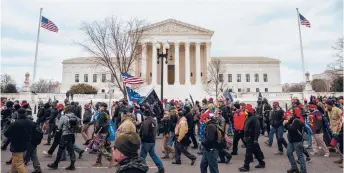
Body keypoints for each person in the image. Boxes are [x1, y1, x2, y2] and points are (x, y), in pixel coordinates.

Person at [47, 105, 81, 170]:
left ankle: (56, 164)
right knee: (71, 150)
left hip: (65, 135)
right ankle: (72, 165)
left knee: (60, 149)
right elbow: (79, 123)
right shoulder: (75, 116)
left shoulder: (64, 117)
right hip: (72, 135)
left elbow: (59, 127)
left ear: (66, 110)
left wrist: (57, 123)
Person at [5, 107, 36, 173]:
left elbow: (6, 133)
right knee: (15, 160)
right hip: (27, 144)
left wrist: (12, 137)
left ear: (18, 114)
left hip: (17, 145)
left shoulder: (15, 123)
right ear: (26, 114)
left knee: (19, 163)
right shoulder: (30, 122)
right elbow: (35, 132)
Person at [239, 104, 265, 172]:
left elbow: (257, 129)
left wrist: (256, 139)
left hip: (251, 137)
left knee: (248, 152)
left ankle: (246, 166)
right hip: (248, 137)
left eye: (245, 110)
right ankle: (261, 163)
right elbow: (245, 128)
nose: (244, 111)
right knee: (255, 151)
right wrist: (244, 136)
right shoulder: (248, 118)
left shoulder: (254, 118)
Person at [284, 109, 307, 173]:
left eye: (287, 116)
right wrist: (286, 124)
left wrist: (286, 124)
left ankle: (303, 170)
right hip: (291, 140)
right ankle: (294, 167)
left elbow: (292, 129)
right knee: (289, 152)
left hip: (297, 140)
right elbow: (288, 129)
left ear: (291, 115)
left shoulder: (296, 120)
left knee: (300, 155)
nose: (286, 117)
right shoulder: (290, 120)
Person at [92, 103, 114, 168]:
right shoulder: (106, 113)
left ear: (103, 107)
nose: (99, 107)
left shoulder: (101, 114)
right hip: (105, 132)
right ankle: (98, 162)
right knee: (100, 147)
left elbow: (99, 125)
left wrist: (95, 132)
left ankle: (111, 158)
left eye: (100, 106)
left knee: (100, 148)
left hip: (102, 132)